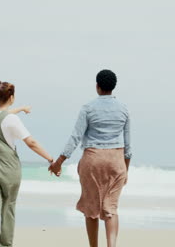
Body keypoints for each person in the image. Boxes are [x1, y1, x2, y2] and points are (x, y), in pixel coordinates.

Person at [49, 70, 132, 247]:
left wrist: (59, 162)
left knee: (91, 208)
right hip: (116, 161)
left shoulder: (88, 108)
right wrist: (126, 170)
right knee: (111, 209)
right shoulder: (124, 109)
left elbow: (75, 137)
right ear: (113, 87)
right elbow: (128, 146)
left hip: (93, 160)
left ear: (97, 86)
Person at [0, 80, 54, 247]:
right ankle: (4, 244)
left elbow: (3, 115)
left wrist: (20, 109)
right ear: (11, 97)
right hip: (8, 169)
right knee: (8, 207)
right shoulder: (12, 120)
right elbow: (31, 142)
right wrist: (50, 159)